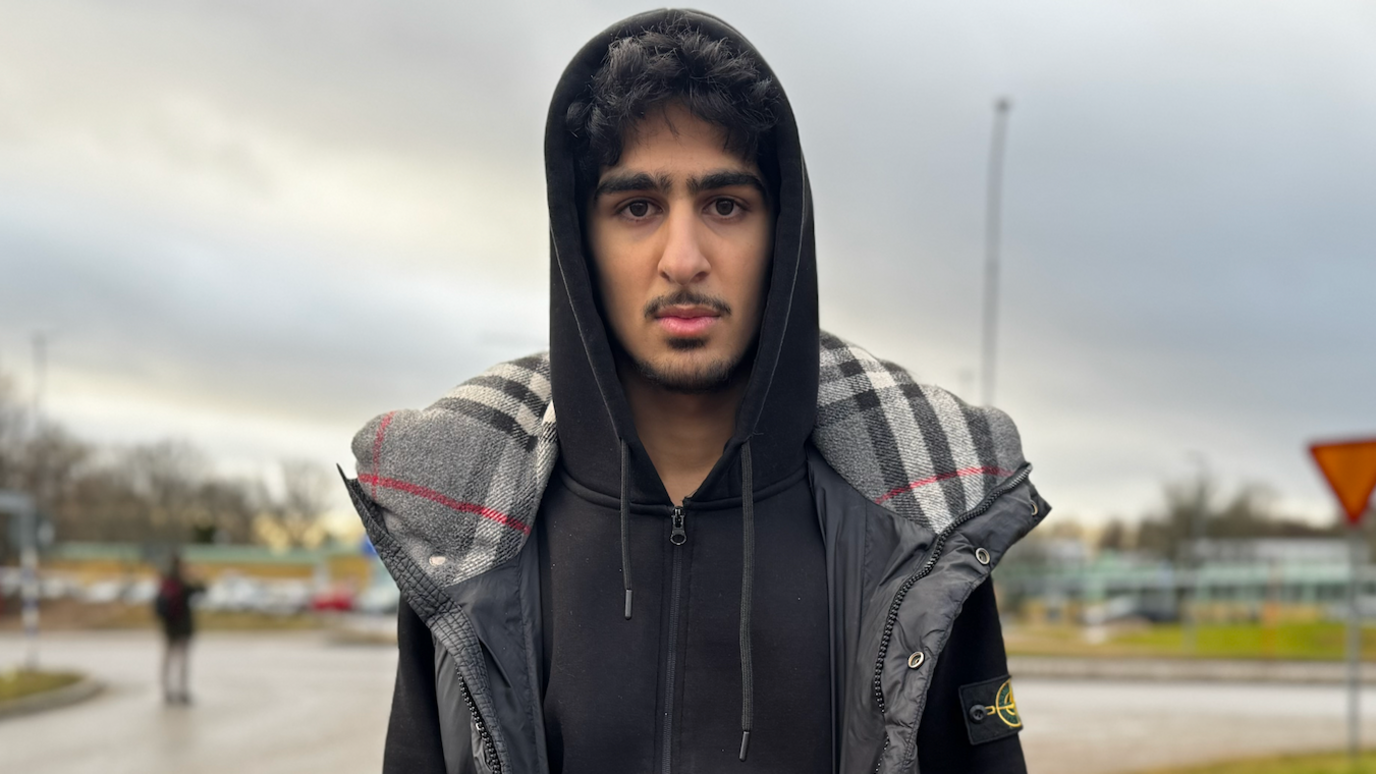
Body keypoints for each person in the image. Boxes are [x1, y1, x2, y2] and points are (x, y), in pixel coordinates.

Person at [343, 9, 1049, 773]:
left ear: (782, 236)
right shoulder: (459, 534)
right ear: (581, 244)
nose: (683, 257)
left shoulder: (921, 525)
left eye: (725, 205)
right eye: (637, 207)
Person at [153, 551, 202, 705]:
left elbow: (157, 606)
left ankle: (166, 691)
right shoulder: (184, 584)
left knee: (168, 660)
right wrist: (195, 576)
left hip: (169, 628)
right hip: (184, 628)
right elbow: (203, 589)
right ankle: (182, 691)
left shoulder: (165, 582)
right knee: (182, 661)